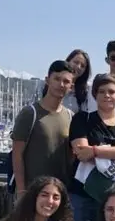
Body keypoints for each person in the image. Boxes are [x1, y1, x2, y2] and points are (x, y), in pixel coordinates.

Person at [69, 75, 115, 221]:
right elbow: (82, 153)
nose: (107, 95)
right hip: (84, 194)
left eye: (112, 92)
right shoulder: (82, 119)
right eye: (101, 91)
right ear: (95, 95)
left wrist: (95, 150)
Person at [11, 60, 75, 196]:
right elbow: (17, 155)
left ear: (71, 86)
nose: (61, 84)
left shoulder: (70, 117)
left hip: (60, 194)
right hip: (32, 192)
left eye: (66, 81)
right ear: (47, 80)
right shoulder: (30, 113)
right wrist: (21, 190)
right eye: (57, 79)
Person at [42, 49, 93, 114]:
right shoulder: (50, 84)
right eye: (76, 62)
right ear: (68, 61)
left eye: (82, 66)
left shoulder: (87, 91)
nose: (78, 67)